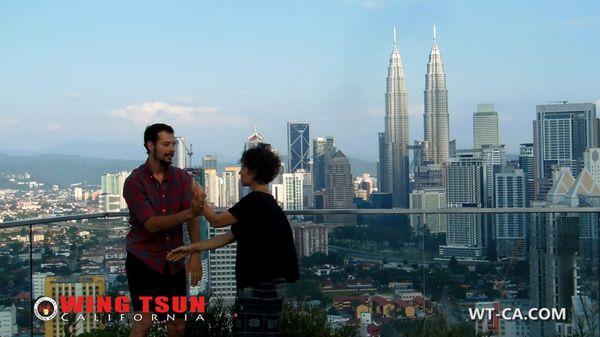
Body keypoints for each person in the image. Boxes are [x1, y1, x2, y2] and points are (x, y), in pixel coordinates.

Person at [167, 143, 299, 337]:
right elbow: (226, 238)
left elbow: (216, 221)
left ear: (253, 172)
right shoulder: (266, 204)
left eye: (243, 168)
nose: (240, 173)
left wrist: (199, 198)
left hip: (258, 284)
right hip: (269, 284)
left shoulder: (255, 200)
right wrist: (192, 248)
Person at [123, 123, 205, 337]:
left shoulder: (182, 178)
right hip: (144, 260)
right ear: (150, 145)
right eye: (166, 144)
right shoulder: (135, 182)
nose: (172, 149)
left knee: (177, 324)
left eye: (173, 144)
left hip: (174, 263)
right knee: (144, 322)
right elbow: (151, 224)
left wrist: (195, 252)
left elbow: (194, 218)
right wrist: (190, 212)